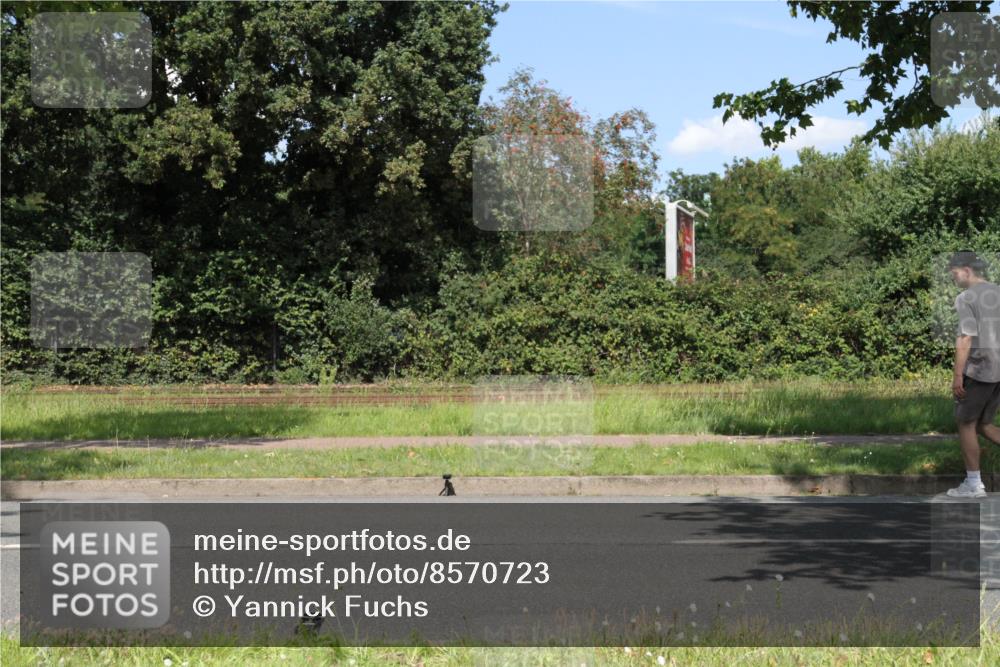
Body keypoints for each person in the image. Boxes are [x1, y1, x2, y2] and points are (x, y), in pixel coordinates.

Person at [947, 250, 1000, 498]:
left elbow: (966, 337)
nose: (954, 279)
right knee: (984, 424)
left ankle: (974, 484)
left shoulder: (966, 297)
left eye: (955, 274)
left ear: (966, 270)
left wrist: (958, 375)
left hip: (980, 371)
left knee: (966, 423)